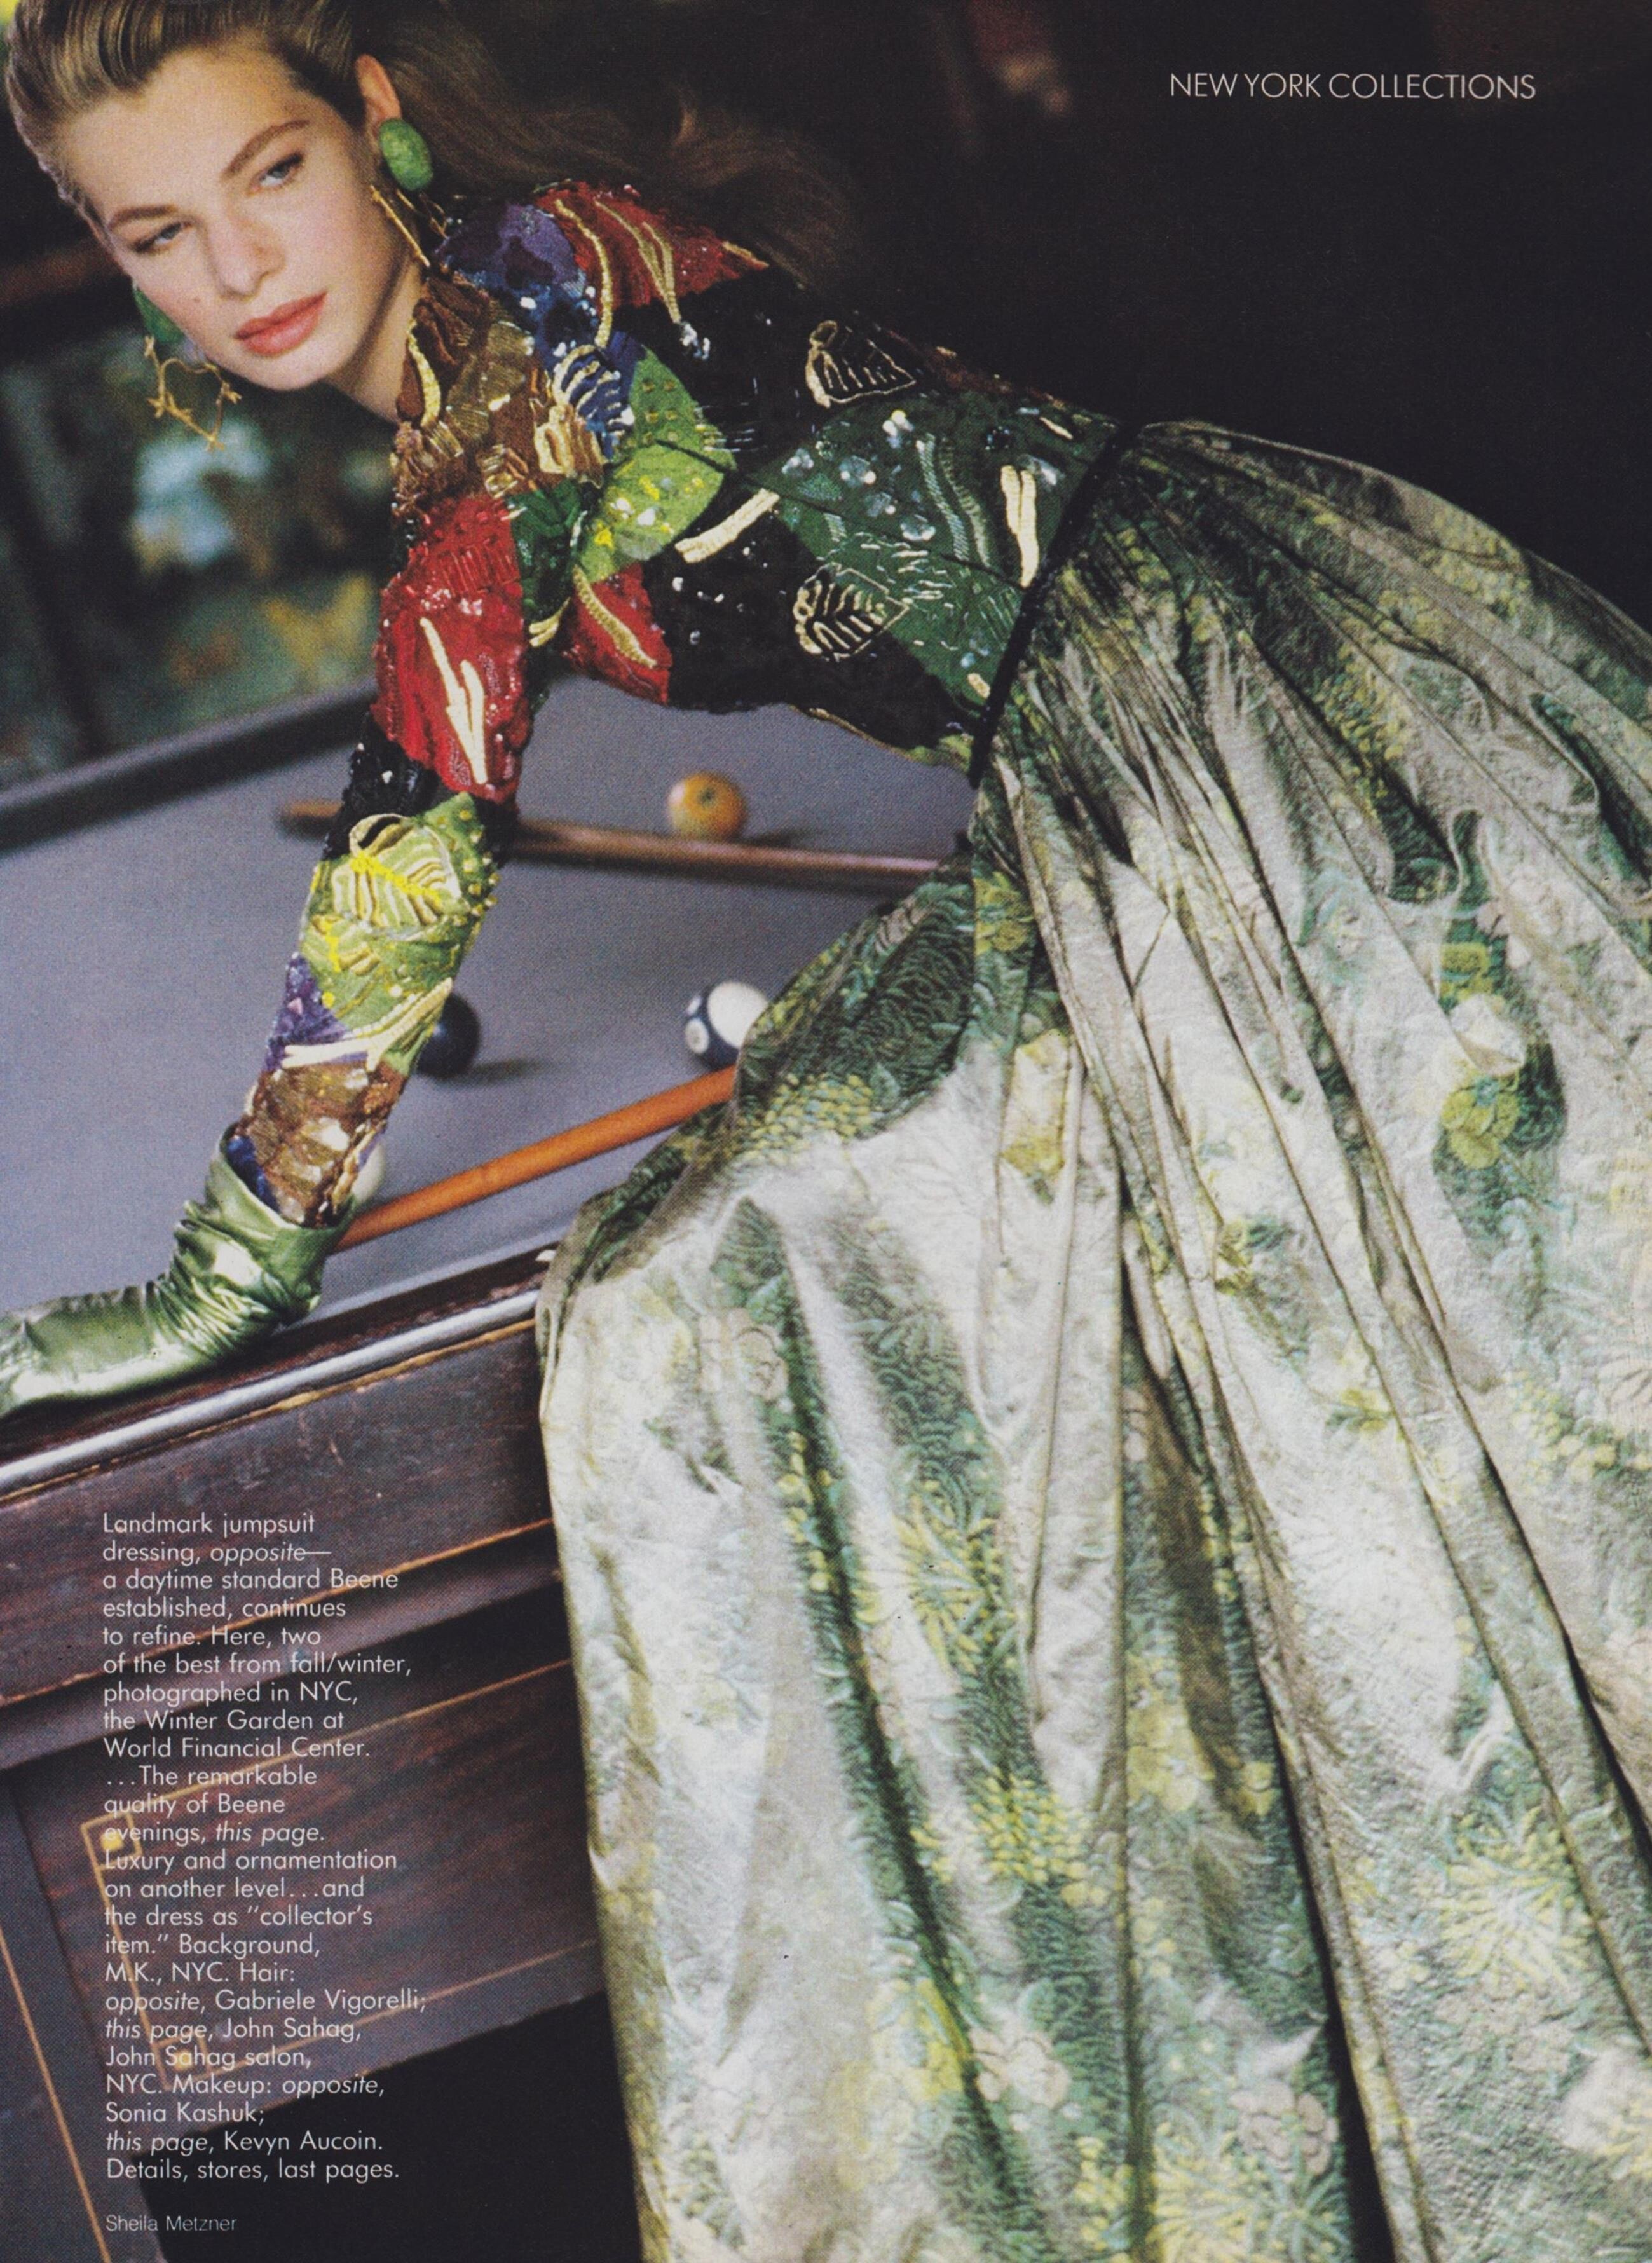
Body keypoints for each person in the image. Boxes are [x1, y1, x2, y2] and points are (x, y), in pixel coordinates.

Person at [7, 3, 1652, 2253]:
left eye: (268, 175)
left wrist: (231, 1265)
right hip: (1210, 637)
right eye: (159, 235)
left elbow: (419, 817)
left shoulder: (516, 365)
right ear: (113, 264)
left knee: (698, 1307)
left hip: (1212, 704)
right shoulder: (517, 284)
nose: (239, 270)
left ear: (368, 120)